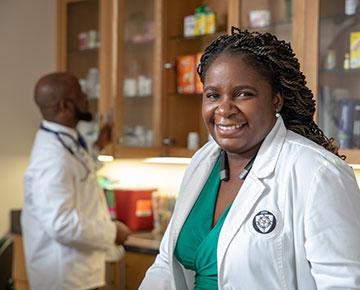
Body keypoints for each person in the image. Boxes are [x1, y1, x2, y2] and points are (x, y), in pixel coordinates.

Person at [140, 27, 360, 289]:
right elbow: (166, 264)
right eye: (213, 95)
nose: (224, 109)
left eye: (243, 94)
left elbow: (344, 283)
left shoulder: (317, 172)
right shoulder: (202, 162)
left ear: (276, 100)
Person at [21, 72, 131, 290]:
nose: (87, 98)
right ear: (65, 106)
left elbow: (78, 171)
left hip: (78, 273)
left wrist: (98, 146)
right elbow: (61, 224)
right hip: (65, 278)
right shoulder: (51, 158)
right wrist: (112, 232)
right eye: (81, 95)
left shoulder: (62, 140)